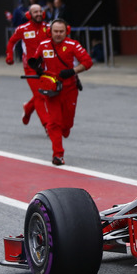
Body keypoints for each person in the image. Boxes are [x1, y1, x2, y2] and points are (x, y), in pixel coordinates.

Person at [30, 18, 94, 165]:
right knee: (53, 123)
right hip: (51, 89)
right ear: (49, 32)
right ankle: (57, 154)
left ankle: (65, 130)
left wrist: (72, 71)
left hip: (70, 89)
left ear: (67, 31)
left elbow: (88, 62)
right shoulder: (43, 45)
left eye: (61, 31)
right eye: (55, 31)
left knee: (67, 125)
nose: (58, 34)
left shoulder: (73, 45)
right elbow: (35, 60)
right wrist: (38, 68)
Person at [5, 3, 51, 128]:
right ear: (29, 14)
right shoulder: (22, 29)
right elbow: (12, 42)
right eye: (35, 12)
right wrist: (9, 56)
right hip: (30, 68)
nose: (38, 14)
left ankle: (28, 108)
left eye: (40, 11)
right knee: (39, 95)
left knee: (46, 93)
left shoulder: (49, 28)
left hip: (46, 67)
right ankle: (47, 125)